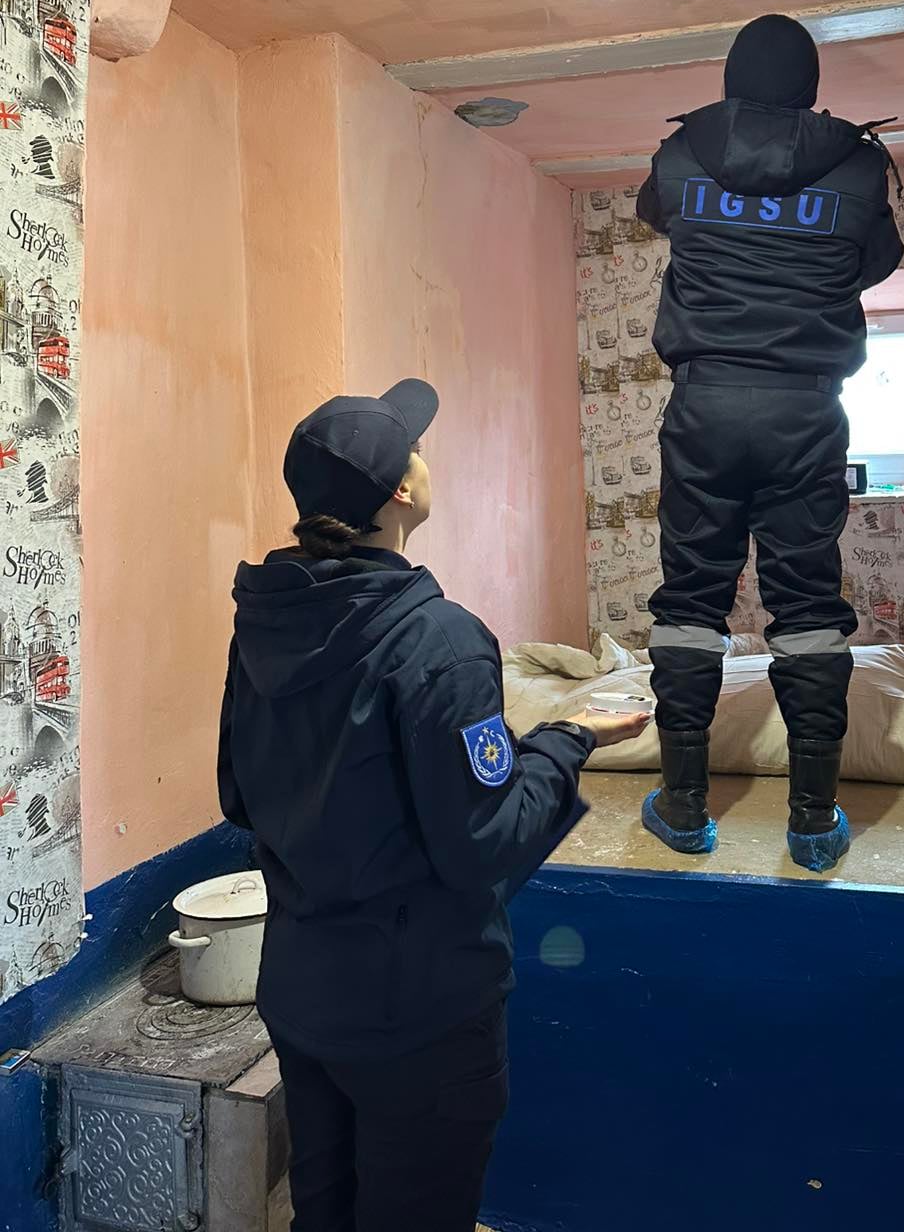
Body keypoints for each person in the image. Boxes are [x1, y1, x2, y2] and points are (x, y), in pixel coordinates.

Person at [217, 379, 647, 1232]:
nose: (425, 454)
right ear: (402, 493)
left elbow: (238, 795)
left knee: (323, 1211)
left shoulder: (264, 623)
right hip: (417, 1016)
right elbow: (484, 841)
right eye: (416, 447)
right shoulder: (438, 640)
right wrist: (568, 740)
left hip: (302, 994)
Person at [635, 14, 904, 871]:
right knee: (808, 603)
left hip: (706, 406)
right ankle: (813, 821)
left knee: (690, 597)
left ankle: (683, 809)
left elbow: (655, 214)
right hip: (805, 410)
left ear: (729, 81)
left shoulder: (683, 155)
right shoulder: (857, 166)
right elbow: (875, 261)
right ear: (812, 87)